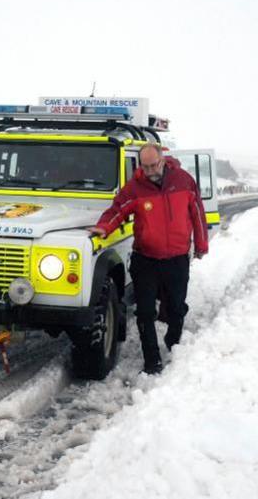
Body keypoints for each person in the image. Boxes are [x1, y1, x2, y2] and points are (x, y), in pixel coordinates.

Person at [87, 144, 209, 375]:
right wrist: (104, 227)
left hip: (177, 259)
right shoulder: (135, 188)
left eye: (154, 165)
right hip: (146, 259)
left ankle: (174, 345)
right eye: (145, 166)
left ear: (163, 160)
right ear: (140, 165)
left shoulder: (183, 180)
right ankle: (152, 360)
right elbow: (117, 210)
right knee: (144, 312)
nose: (151, 170)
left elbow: (197, 213)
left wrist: (201, 244)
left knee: (176, 308)